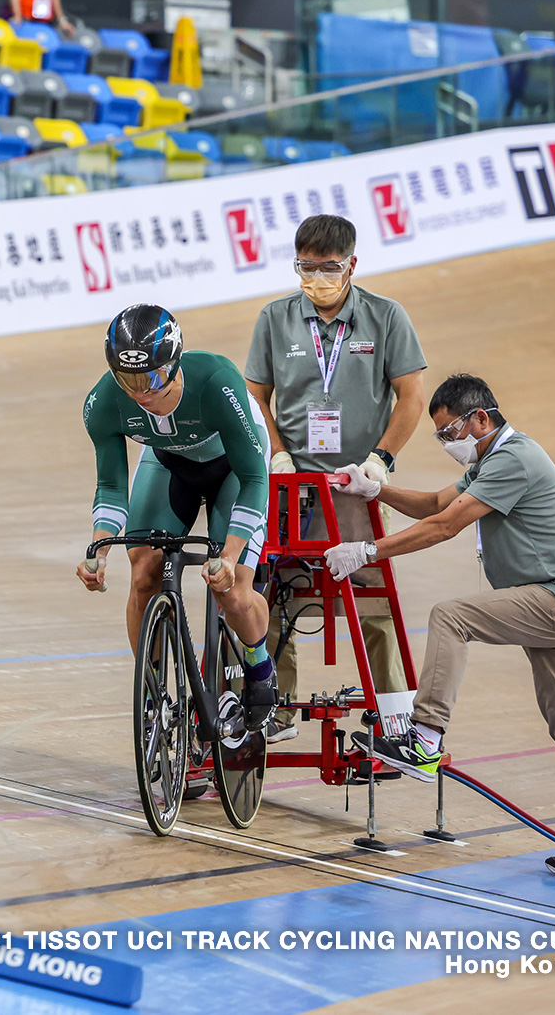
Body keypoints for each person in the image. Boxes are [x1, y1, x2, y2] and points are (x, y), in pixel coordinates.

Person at [337, 375, 555, 892]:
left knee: (452, 615)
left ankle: (424, 738)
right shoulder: (488, 461)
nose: (447, 442)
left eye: (450, 430)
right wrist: (376, 491)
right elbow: (433, 504)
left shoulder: (513, 459)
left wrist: (368, 552)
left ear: (481, 419)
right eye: (440, 437)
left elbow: (446, 526)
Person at [244, 214, 425, 743]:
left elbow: (411, 395)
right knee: (274, 593)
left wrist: (381, 462)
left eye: (328, 267)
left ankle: (394, 719)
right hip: (292, 486)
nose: (316, 276)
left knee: (373, 597)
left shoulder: (385, 317)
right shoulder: (275, 318)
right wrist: (275, 453)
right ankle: (273, 708)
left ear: (352, 265)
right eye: (306, 266)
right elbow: (254, 396)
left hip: (354, 485)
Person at [79, 305, 278, 731]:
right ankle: (155, 699)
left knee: (233, 590)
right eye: (126, 379)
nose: (138, 392)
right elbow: (111, 487)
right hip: (169, 464)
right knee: (144, 572)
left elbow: (254, 478)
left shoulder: (216, 382)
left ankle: (260, 665)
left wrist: (229, 554)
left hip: (235, 470)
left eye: (149, 378)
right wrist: (99, 548)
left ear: (173, 364)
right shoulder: (102, 403)